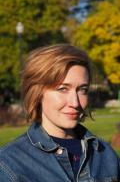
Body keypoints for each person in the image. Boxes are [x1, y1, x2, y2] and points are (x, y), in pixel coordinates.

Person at [0, 44, 120, 182]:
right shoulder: (9, 165)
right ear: (37, 93)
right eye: (63, 89)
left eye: (83, 90)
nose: (75, 103)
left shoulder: (105, 154)